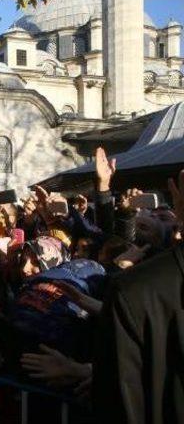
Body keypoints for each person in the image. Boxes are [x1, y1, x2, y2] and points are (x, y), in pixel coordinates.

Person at [93, 169, 184, 423]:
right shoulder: (136, 286)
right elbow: (112, 239)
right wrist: (110, 199)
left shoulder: (137, 286)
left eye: (163, 217)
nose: (153, 218)